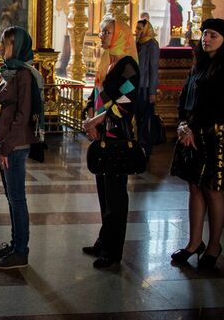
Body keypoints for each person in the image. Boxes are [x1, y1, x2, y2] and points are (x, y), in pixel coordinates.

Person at [171, 18, 224, 269]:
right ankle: (194, 243)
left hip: (216, 134)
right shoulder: (199, 65)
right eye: (205, 34)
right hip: (191, 133)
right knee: (194, 187)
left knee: (212, 190)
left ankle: (214, 245)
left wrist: (191, 128)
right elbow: (185, 97)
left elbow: (221, 106)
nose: (206, 38)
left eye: (213, 35)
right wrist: (183, 124)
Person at [82, 18, 140, 269]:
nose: (102, 36)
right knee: (104, 192)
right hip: (103, 134)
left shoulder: (128, 65)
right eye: (102, 31)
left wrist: (96, 121)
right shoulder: (108, 60)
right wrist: (89, 117)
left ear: (120, 36)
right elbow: (99, 94)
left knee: (116, 196)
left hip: (118, 137)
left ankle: (113, 250)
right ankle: (103, 240)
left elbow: (127, 102)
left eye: (107, 32)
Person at [0, 26, 44, 270]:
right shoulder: (11, 72)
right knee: (11, 198)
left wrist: (7, 147)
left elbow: (22, 116)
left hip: (16, 145)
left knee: (17, 199)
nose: (1, 48)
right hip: (5, 142)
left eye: (5, 44)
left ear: (18, 46)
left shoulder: (24, 75)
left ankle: (21, 251)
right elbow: (4, 113)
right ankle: (14, 244)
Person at [135, 19, 160, 156]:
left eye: (139, 29)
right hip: (136, 87)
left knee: (146, 120)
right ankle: (139, 145)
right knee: (138, 119)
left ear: (146, 30)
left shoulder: (152, 45)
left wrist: (152, 92)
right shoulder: (137, 44)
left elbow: (153, 70)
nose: (136, 31)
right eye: (137, 28)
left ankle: (146, 148)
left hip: (145, 89)